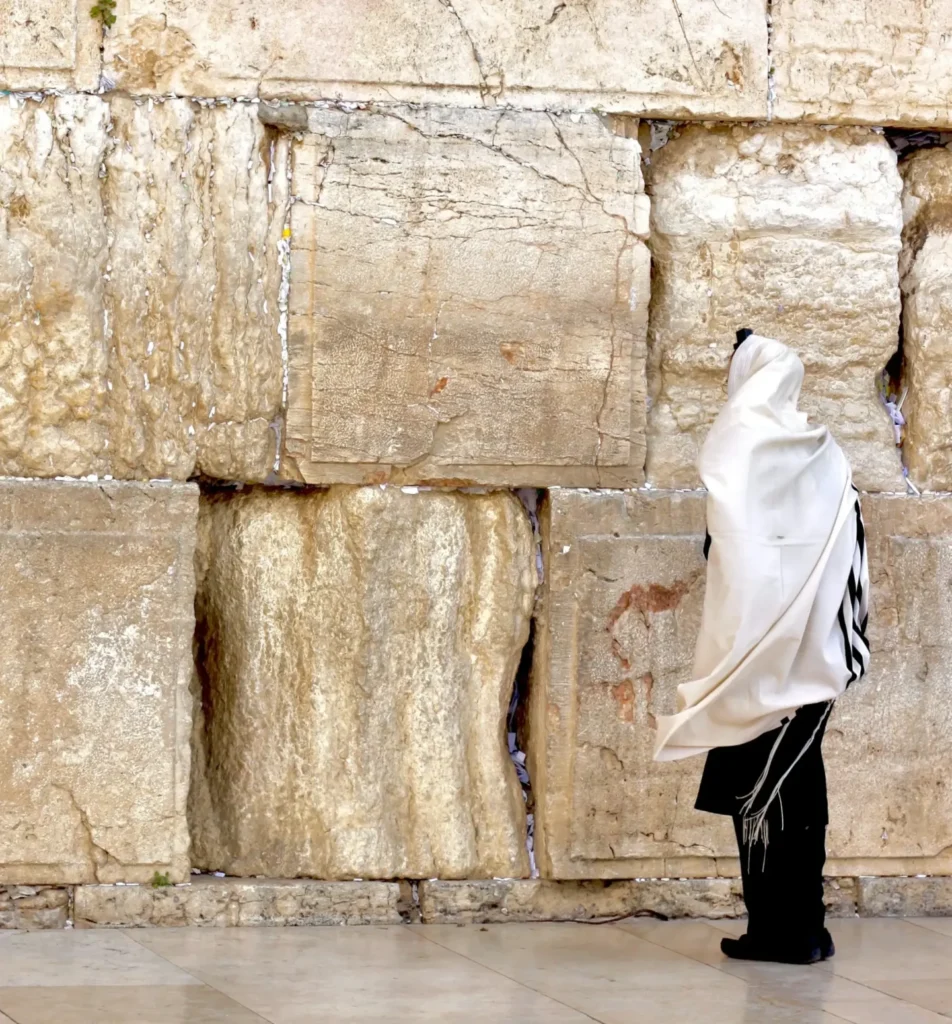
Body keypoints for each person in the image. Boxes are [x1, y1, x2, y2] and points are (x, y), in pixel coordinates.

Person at [653, 330, 869, 965]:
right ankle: (807, 926)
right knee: (800, 787)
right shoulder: (825, 456)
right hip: (815, 657)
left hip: (753, 659)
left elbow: (736, 556)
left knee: (760, 796)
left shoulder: (739, 444)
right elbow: (849, 553)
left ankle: (780, 933)